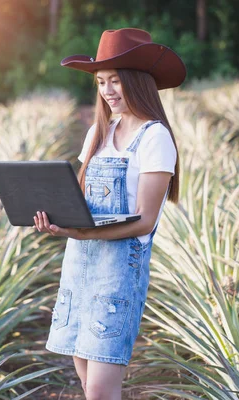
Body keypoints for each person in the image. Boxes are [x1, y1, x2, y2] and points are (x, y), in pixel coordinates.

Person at [33, 28, 186, 400]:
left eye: (116, 80)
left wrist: (82, 232)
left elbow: (145, 220)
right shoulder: (98, 133)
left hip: (117, 277)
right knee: (89, 387)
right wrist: (56, 217)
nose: (107, 90)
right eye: (101, 82)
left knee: (101, 391)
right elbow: (82, 203)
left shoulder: (154, 138)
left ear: (137, 82)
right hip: (78, 268)